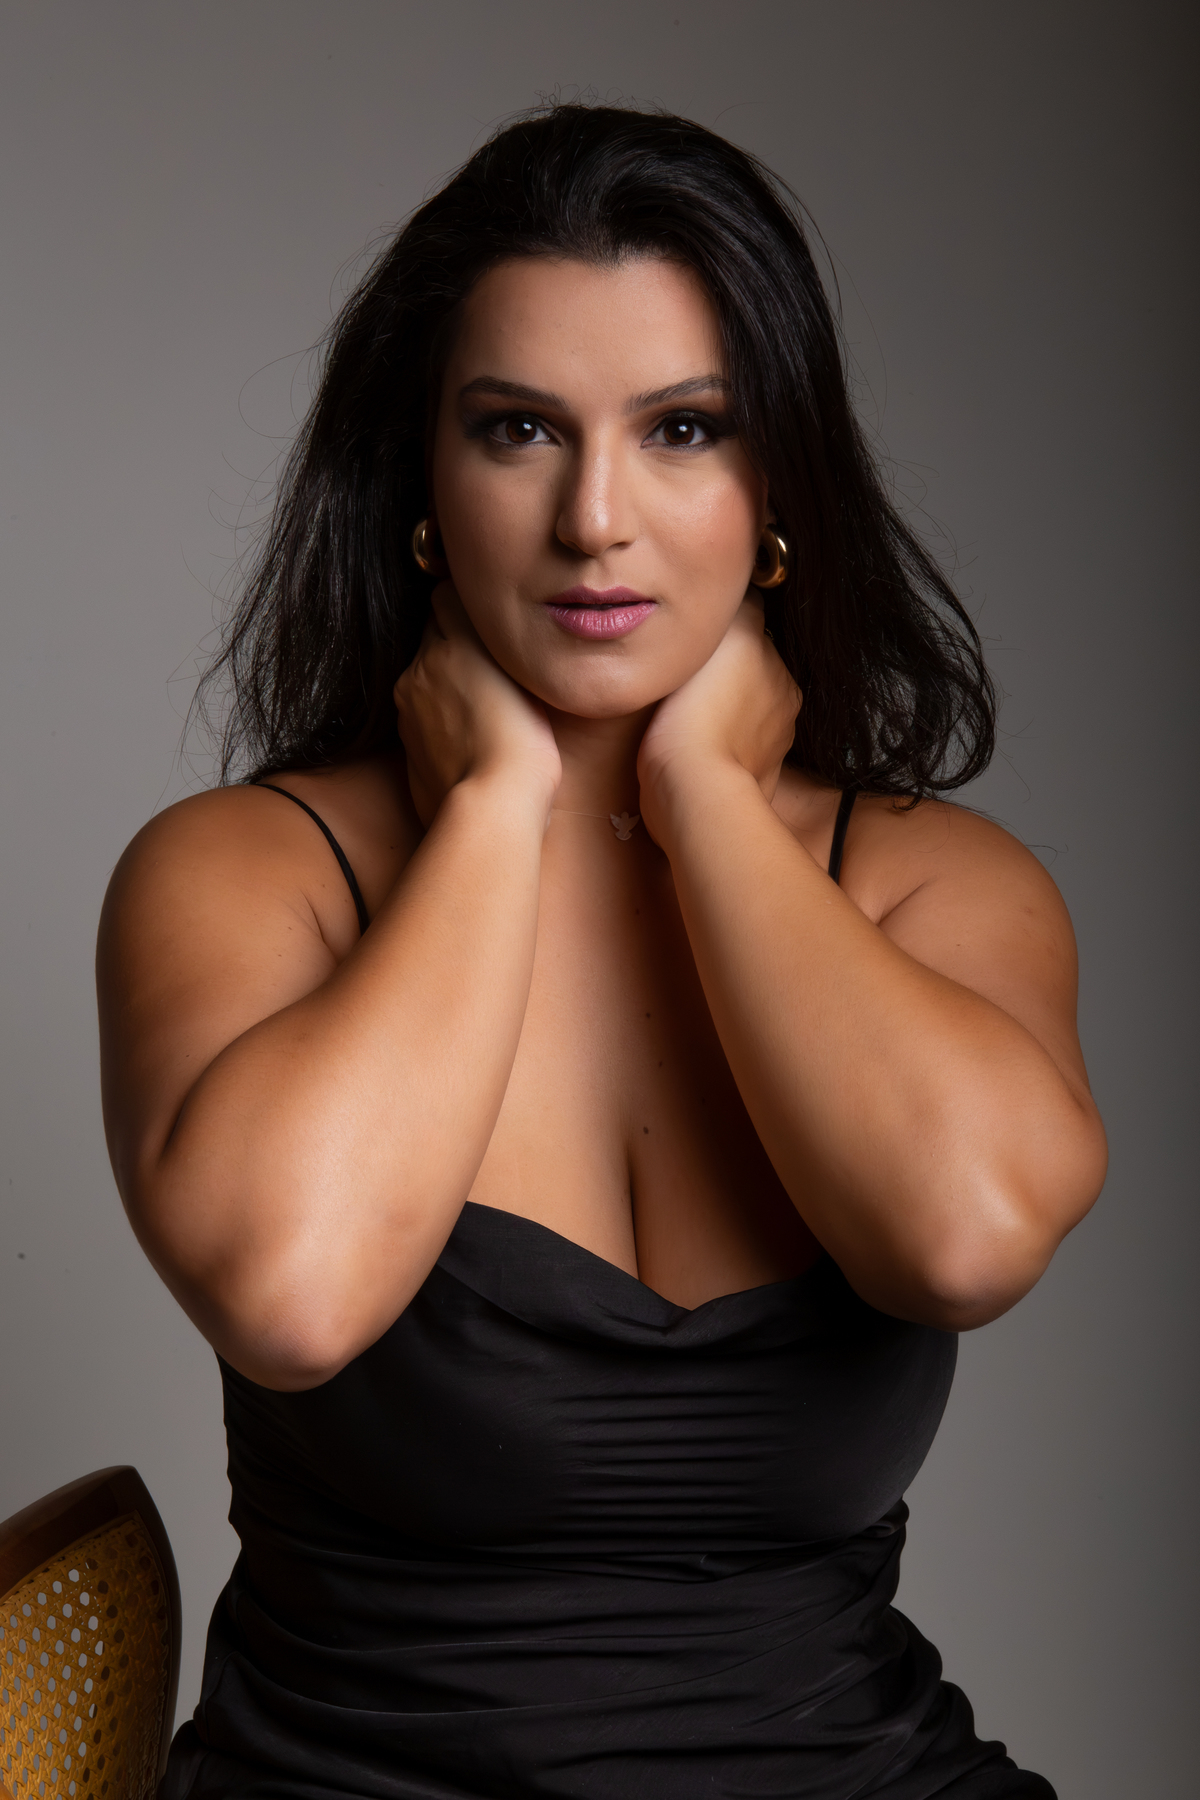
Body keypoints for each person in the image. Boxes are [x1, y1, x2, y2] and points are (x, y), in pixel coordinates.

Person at [96, 105, 1107, 1799]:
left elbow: (966, 1238)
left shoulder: (929, 884)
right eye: (519, 431)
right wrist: (494, 807)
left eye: (684, 430)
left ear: (776, 492)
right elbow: (291, 1291)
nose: (594, 518)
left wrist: (707, 796)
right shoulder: (251, 875)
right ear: (423, 485)